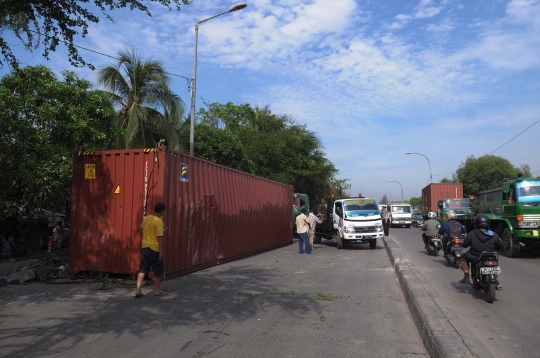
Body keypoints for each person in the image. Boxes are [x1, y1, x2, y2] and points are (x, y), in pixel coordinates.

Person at [135, 202, 169, 297]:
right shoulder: (158, 221)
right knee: (157, 270)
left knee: (143, 269)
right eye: (163, 211)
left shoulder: (146, 219)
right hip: (154, 249)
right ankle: (157, 291)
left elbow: (142, 231)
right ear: (162, 211)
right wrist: (161, 252)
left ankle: (138, 290)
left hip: (145, 247)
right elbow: (160, 238)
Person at [459, 214, 503, 283]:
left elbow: (465, 245)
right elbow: (501, 245)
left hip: (475, 255)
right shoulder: (493, 234)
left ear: (476, 223)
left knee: (463, 258)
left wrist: (461, 243)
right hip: (490, 255)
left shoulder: (472, 233)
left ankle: (466, 277)